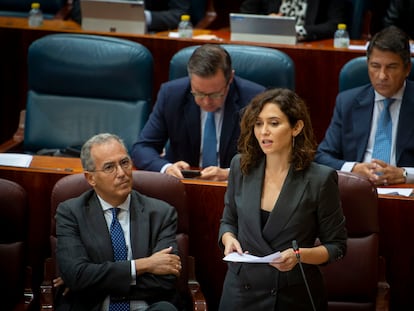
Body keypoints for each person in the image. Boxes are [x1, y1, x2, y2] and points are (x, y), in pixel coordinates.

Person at [218, 88, 347, 310]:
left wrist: (299, 256)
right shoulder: (240, 166)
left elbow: (337, 246)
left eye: (274, 123)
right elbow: (228, 221)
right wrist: (228, 239)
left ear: (296, 127)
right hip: (240, 291)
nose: (264, 132)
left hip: (291, 294)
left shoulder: (320, 179)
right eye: (258, 124)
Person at [55, 133, 181, 311]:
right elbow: (76, 275)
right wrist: (143, 265)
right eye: (109, 167)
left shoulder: (161, 213)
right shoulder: (71, 213)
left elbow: (166, 278)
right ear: (91, 178)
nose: (121, 173)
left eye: (124, 162)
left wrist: (96, 280)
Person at [131, 44, 266, 181]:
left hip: (233, 187)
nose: (206, 102)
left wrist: (231, 173)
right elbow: (142, 148)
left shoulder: (255, 99)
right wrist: (167, 168)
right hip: (183, 185)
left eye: (215, 94)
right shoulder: (171, 95)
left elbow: (267, 154)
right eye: (199, 93)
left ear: (230, 78)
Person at [315, 25, 414, 186]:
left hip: (405, 194)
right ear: (367, 65)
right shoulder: (347, 102)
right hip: (357, 190)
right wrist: (354, 169)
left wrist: (404, 174)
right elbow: (322, 157)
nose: (382, 76)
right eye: (375, 66)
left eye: (391, 67)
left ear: (407, 69)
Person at [239, 0, 348, 41]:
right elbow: (246, 15)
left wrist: (296, 30)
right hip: (266, 40)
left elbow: (336, 24)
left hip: (306, 45)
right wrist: (267, 22)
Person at [70, 0, 190, 32]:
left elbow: (180, 14)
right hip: (98, 32)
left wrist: (143, 17)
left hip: (151, 36)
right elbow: (78, 9)